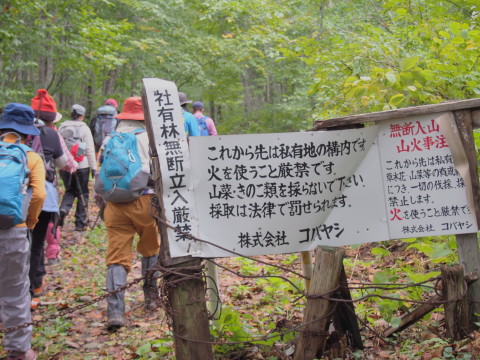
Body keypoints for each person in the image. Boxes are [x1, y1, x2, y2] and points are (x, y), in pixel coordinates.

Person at [96, 96, 160, 329]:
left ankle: (115, 311)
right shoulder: (148, 139)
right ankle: (152, 298)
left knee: (116, 257)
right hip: (145, 202)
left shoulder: (109, 139)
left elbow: (99, 170)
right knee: (150, 247)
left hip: (114, 205)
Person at [0, 103, 46, 360]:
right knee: (15, 289)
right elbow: (38, 194)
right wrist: (29, 221)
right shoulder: (31, 157)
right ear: (29, 133)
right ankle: (18, 350)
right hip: (13, 229)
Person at [29, 89, 74, 309]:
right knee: (36, 244)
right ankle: (34, 289)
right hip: (42, 195)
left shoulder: (11, 132)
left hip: (11, 195)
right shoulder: (51, 134)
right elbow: (62, 162)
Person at [58, 104, 97, 231]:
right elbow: (90, 150)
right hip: (82, 165)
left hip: (65, 165)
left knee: (70, 190)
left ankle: (63, 210)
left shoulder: (62, 127)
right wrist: (94, 168)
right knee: (83, 193)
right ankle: (80, 224)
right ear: (81, 116)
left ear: (71, 114)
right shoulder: (84, 128)